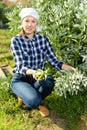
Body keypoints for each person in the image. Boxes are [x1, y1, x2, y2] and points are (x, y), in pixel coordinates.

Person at [10, 8, 76, 117]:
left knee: (49, 81)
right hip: (21, 78)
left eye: (33, 21)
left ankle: (28, 96)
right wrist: (34, 72)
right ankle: (36, 102)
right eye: (27, 21)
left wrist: (71, 68)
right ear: (22, 22)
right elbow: (21, 66)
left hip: (38, 78)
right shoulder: (16, 40)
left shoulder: (43, 39)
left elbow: (54, 60)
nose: (29, 24)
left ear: (36, 24)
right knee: (34, 100)